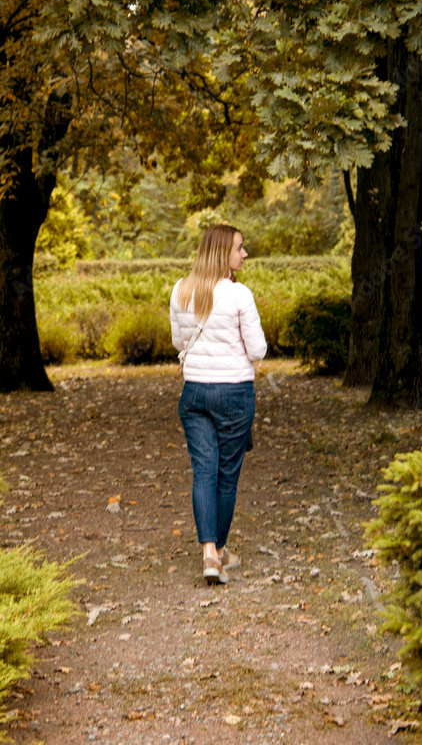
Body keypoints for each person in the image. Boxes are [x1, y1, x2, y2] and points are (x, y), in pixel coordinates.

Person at [170, 224, 267, 585]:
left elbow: (179, 340)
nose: (244, 254)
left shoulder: (180, 290)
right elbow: (257, 351)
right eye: (239, 248)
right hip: (234, 395)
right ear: (222, 253)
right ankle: (220, 550)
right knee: (226, 475)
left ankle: (211, 553)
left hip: (194, 393)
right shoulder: (240, 296)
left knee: (203, 472)